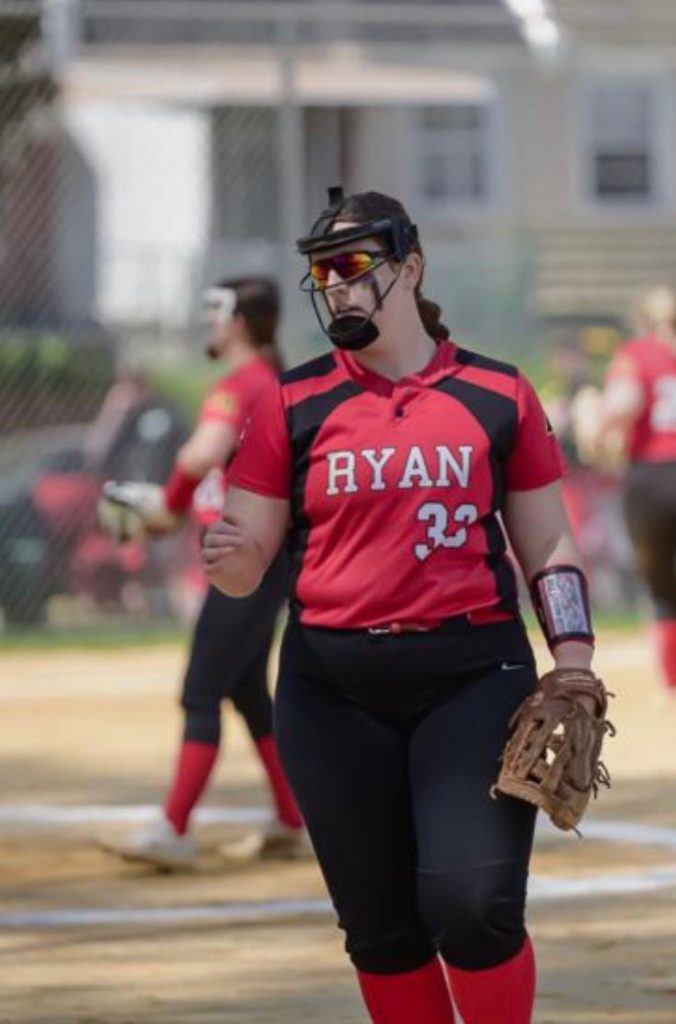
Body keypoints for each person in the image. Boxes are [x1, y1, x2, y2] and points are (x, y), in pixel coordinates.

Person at [202, 189, 598, 1023]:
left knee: (472, 905)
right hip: (330, 690)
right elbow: (244, 567)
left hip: (472, 674)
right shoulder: (291, 403)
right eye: (322, 274)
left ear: (409, 268)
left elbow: (548, 544)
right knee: (381, 931)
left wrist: (573, 659)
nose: (336, 288)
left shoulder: (497, 393)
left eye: (354, 268)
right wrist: (232, 561)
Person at [100, 276, 310, 869]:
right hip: (265, 554)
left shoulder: (243, 383)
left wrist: (164, 507)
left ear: (239, 321)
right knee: (246, 691)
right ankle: (289, 819)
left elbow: (199, 454)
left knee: (200, 692)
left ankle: (173, 827)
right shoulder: (276, 380)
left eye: (215, 313)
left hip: (247, 557)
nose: (207, 325)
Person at [580, 285, 676, 692]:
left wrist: (595, 424)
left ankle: (671, 681)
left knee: (662, 586)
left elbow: (622, 406)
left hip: (653, 476)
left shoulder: (640, 353)